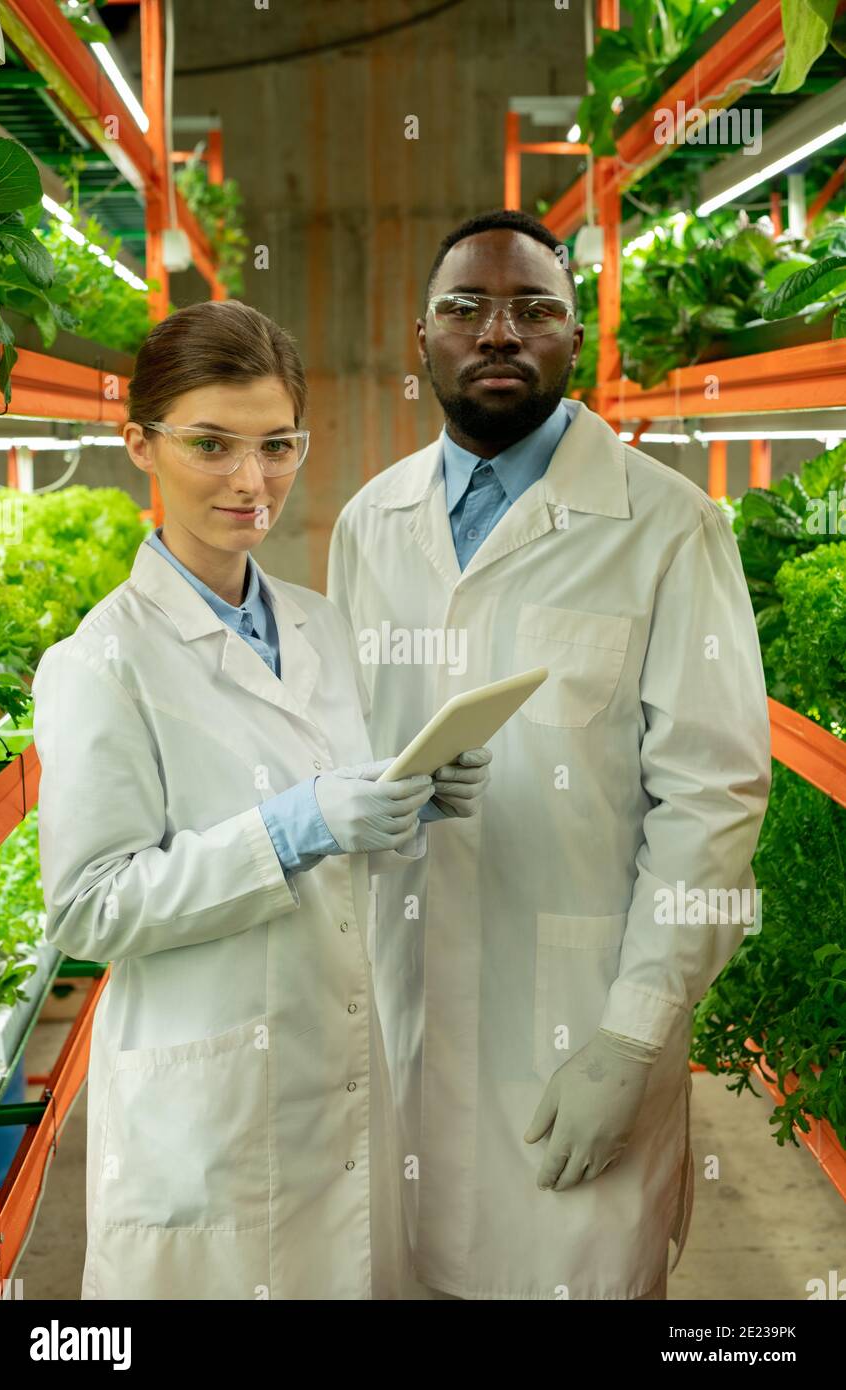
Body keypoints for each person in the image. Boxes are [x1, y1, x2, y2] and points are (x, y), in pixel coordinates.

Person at [327, 209, 772, 1301]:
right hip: (398, 1009)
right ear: (418, 339)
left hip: (577, 1019)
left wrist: (630, 1039)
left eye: (534, 309)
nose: (496, 331)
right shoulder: (367, 525)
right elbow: (340, 749)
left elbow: (711, 800)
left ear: (576, 342)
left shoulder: (666, 527)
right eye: (463, 308)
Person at [31, 299, 490, 1301]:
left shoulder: (321, 625)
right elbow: (89, 904)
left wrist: (412, 799)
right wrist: (291, 826)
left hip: (331, 1081)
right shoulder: (101, 662)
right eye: (211, 445)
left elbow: (339, 837)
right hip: (205, 1113)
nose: (251, 481)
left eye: (276, 446)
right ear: (139, 445)